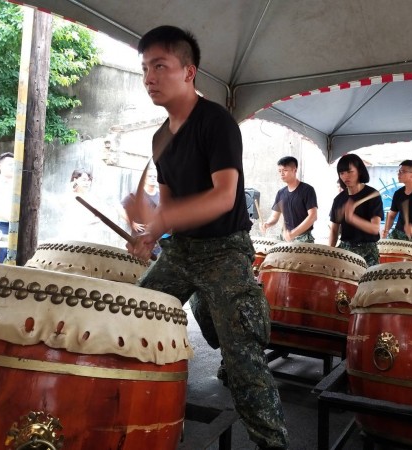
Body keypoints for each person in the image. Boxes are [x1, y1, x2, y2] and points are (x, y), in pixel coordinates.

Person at [126, 25, 289, 449]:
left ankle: (274, 444)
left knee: (243, 364)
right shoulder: (160, 137)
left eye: (160, 66)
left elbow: (223, 198)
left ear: (189, 71)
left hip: (224, 251)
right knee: (131, 317)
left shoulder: (215, 121)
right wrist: (148, 235)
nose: (149, 78)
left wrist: (160, 221)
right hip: (181, 252)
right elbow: (167, 208)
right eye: (145, 69)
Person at [328, 154, 383, 266]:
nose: (345, 177)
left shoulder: (372, 195)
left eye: (349, 172)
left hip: (368, 252)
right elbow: (334, 231)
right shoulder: (339, 199)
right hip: (345, 250)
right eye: (342, 173)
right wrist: (329, 252)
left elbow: (375, 229)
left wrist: (352, 218)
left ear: (359, 171)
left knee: (367, 283)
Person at [260, 156, 318, 242]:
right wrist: (267, 224)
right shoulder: (281, 193)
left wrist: (293, 233)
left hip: (303, 237)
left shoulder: (307, 190)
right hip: (285, 236)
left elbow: (313, 216)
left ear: (295, 170)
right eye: (279, 171)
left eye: (285, 170)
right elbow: (274, 216)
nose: (281, 174)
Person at [120, 165, 160, 237]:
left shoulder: (160, 196)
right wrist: (131, 223)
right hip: (139, 236)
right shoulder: (137, 194)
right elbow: (119, 208)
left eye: (155, 177)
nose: (153, 178)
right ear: (144, 178)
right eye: (150, 176)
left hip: (154, 236)